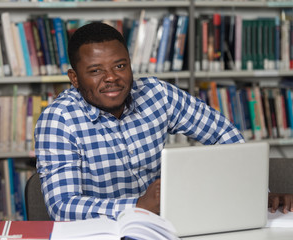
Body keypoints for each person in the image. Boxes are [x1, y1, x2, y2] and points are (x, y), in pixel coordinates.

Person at [34, 22, 291, 221]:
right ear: (75, 78)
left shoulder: (156, 94)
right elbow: (63, 205)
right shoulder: (58, 120)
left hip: (165, 226)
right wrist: (136, 206)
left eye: (120, 66)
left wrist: (257, 194)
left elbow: (222, 133)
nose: (111, 78)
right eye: (95, 70)